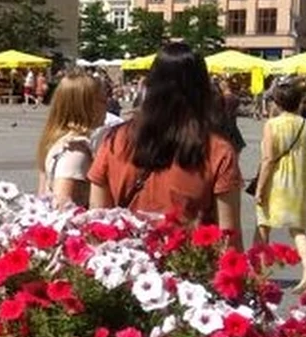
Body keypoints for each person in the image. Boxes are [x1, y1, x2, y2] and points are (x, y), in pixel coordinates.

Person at [88, 42, 244, 243]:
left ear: (149, 86)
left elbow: (98, 223)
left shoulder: (115, 141)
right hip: (187, 267)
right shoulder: (217, 151)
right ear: (202, 89)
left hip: (127, 265)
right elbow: (229, 238)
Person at [253, 81, 306, 294]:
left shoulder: (272, 124)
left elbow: (268, 159)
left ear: (278, 102)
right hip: (299, 182)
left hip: (277, 182)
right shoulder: (305, 124)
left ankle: (258, 273)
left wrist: (260, 188)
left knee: (263, 225)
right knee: (298, 229)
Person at [35, 71, 102, 207]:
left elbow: (41, 195)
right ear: (87, 107)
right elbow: (62, 205)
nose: (107, 107)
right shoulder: (76, 151)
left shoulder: (57, 139)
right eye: (102, 101)